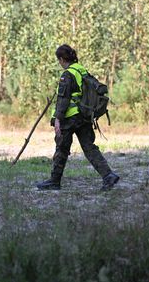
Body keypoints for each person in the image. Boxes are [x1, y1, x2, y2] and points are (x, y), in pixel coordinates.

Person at [36, 44, 119, 191]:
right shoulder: (81, 70)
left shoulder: (67, 75)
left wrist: (57, 119)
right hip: (84, 116)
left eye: (59, 60)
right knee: (89, 148)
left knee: (61, 148)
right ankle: (108, 175)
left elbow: (63, 100)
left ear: (62, 59)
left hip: (70, 118)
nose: (59, 63)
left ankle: (54, 181)